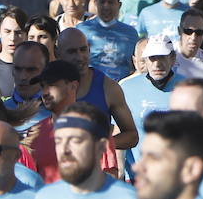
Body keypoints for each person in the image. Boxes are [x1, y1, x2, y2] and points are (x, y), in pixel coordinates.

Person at [56, 28, 140, 171]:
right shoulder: (48, 87)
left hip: (97, 176)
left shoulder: (109, 88)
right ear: (58, 54)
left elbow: (132, 136)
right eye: (72, 52)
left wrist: (102, 143)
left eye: (83, 50)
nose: (80, 56)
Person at [117, 35, 186, 171]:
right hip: (138, 175)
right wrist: (119, 172)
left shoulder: (189, 87)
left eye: (162, 57)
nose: (157, 64)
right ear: (145, 60)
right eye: (152, 58)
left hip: (176, 175)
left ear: (172, 58)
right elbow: (119, 132)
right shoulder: (127, 88)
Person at [79, 0, 141, 82]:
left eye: (111, 2)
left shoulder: (131, 33)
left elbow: (137, 66)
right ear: (95, 3)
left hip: (121, 89)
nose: (106, 6)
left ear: (119, 5)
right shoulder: (82, 30)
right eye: (102, 2)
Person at [173, 7, 203, 83]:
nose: (193, 37)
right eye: (188, 31)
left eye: (199, 32)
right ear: (179, 31)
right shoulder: (164, 56)